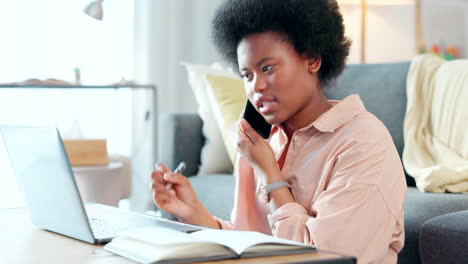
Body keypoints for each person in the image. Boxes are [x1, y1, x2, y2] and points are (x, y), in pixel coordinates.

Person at [150, 0, 407, 263]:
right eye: (247, 75)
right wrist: (193, 213)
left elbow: (327, 259)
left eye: (267, 68)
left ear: (313, 59)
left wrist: (270, 175)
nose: (256, 87)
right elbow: (251, 243)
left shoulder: (362, 142)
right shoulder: (259, 143)